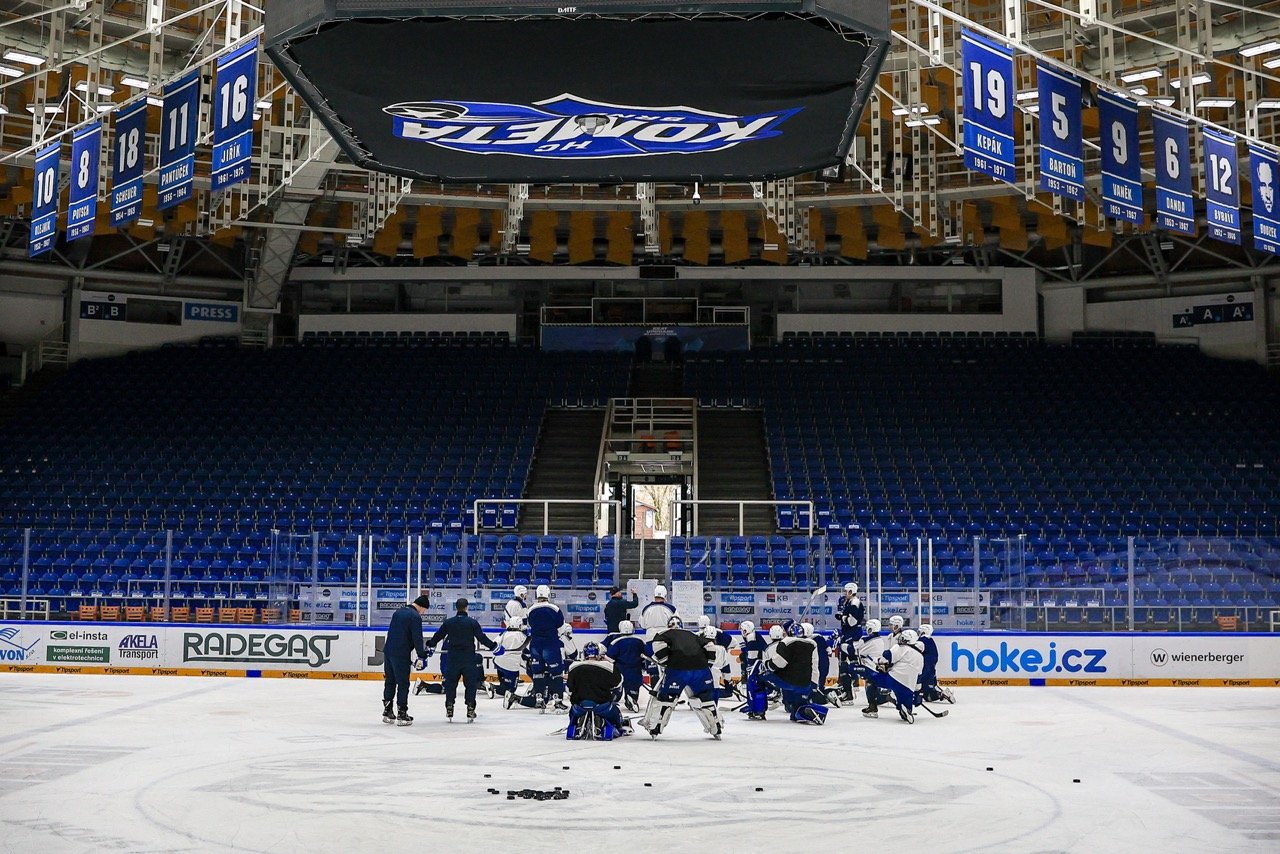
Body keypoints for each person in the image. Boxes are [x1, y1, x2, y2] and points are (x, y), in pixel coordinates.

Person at [640, 615, 723, 740]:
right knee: (705, 699)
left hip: (677, 671)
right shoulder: (692, 634)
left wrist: (665, 661)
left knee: (667, 699)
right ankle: (716, 726)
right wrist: (707, 664)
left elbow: (658, 646)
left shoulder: (663, 634)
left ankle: (655, 727)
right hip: (701, 671)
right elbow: (709, 646)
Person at [427, 597, 497, 721]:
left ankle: (449, 706)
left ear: (456, 608)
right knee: (470, 685)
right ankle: (470, 708)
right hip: (468, 659)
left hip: (453, 658)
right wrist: (493, 646)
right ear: (466, 607)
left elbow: (438, 635)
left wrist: (430, 644)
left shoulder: (449, 622)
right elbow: (481, 638)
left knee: (451, 684)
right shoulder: (472, 622)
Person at [747, 622, 827, 724]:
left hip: (786, 681)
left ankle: (758, 710)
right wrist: (814, 685)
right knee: (796, 709)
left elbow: (779, 663)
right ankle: (801, 712)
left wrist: (766, 665)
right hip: (805, 684)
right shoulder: (812, 644)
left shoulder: (786, 642)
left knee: (756, 678)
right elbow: (815, 667)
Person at [565, 642, 631, 740]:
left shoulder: (573, 666)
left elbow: (569, 688)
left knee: (573, 712)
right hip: (602, 706)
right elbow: (619, 682)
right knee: (615, 711)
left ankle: (575, 723)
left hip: (579, 707)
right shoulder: (608, 666)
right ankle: (618, 726)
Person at [382, 594, 430, 726]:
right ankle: (402, 714)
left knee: (390, 681)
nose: (423, 613)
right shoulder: (415, 616)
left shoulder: (398, 612)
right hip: (401, 653)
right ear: (422, 607)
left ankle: (387, 711)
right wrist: (422, 655)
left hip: (388, 651)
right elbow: (417, 637)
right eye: (424, 610)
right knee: (403, 683)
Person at [866, 629, 926, 723]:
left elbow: (887, 656)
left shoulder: (902, 647)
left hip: (894, 679)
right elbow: (919, 677)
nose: (901, 640)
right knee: (904, 707)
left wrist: (880, 662)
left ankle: (872, 708)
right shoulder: (921, 657)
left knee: (871, 679)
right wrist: (918, 693)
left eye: (903, 638)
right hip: (908, 687)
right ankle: (906, 709)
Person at [525, 584, 567, 711]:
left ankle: (539, 699)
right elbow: (561, 627)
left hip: (535, 644)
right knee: (556, 672)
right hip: (550, 643)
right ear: (548, 594)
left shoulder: (530, 610)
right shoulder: (554, 609)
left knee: (538, 672)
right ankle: (557, 700)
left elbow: (530, 625)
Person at [604, 619, 646, 711]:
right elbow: (645, 655)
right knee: (633, 688)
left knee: (616, 687)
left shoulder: (616, 641)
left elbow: (609, 658)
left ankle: (614, 699)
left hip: (620, 670)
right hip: (635, 670)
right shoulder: (639, 640)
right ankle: (631, 699)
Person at [854, 618, 893, 718]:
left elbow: (855, 650)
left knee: (853, 670)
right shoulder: (880, 639)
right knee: (872, 684)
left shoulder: (866, 640)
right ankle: (883, 698)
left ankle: (873, 706)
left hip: (870, 666)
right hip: (877, 666)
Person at [836, 583, 865, 702]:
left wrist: (842, 617)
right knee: (844, 658)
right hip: (849, 633)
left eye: (846, 591)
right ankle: (846, 685)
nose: (844, 593)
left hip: (852, 633)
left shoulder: (854, 603)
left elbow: (852, 622)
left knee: (848, 656)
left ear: (851, 591)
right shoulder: (849, 602)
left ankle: (854, 681)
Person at [491, 614, 531, 700]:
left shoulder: (503, 634)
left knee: (504, 685)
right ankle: (493, 688)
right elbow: (528, 650)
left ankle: (493, 687)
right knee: (511, 690)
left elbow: (493, 644)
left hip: (498, 663)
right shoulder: (522, 636)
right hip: (511, 666)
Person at [697, 615, 734, 700]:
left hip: (701, 681)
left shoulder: (700, 647)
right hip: (715, 683)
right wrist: (728, 682)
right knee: (713, 700)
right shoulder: (722, 649)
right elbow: (726, 667)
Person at [916, 624, 954, 704]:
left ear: (924, 632)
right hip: (930, 668)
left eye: (920, 631)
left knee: (926, 694)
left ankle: (942, 693)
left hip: (926, 668)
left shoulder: (923, 640)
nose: (918, 633)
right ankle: (941, 693)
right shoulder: (929, 640)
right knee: (928, 694)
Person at [802, 622, 837, 707]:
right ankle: (825, 695)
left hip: (817, 667)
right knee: (818, 686)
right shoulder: (819, 638)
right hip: (822, 665)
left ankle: (822, 697)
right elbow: (829, 651)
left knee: (815, 687)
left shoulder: (806, 641)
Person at [736, 620, 768, 691]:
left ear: (745, 630)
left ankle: (755, 686)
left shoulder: (751, 637)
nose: (741, 631)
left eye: (742, 629)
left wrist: (750, 665)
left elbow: (752, 654)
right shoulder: (752, 635)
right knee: (742, 656)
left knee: (744, 658)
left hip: (761, 661)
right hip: (761, 660)